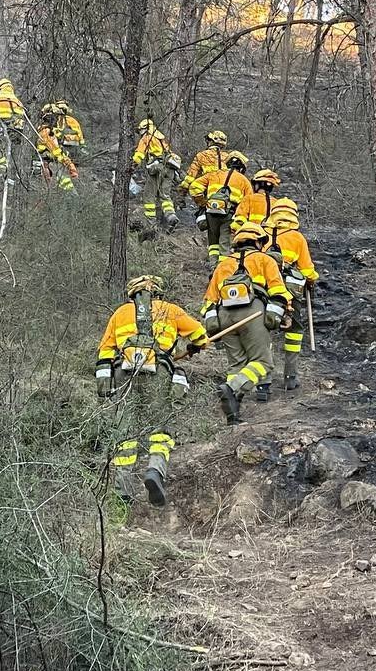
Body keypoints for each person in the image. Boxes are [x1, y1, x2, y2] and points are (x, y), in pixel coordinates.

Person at [96, 275, 209, 506]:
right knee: (160, 429)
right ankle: (155, 471)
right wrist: (194, 346)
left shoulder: (120, 313)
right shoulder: (171, 310)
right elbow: (201, 336)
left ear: (132, 294)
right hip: (158, 372)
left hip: (123, 374)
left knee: (124, 432)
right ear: (158, 292)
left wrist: (105, 386)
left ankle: (123, 490)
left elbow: (105, 351)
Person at [201, 223, 291, 423]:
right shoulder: (264, 259)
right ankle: (232, 388)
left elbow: (209, 300)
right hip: (253, 313)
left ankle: (233, 414)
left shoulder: (223, 264)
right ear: (258, 242)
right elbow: (279, 292)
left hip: (224, 316)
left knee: (237, 364)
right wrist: (285, 314)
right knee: (263, 362)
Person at [264, 197, 319, 391]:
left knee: (265, 332)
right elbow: (306, 269)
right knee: (294, 331)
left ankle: (264, 379)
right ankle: (290, 377)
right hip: (289, 291)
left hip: (264, 290)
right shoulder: (297, 238)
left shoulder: (261, 233)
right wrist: (312, 280)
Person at [188, 151, 252, 262]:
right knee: (224, 243)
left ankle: (213, 266)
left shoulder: (214, 174)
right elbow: (249, 202)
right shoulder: (244, 181)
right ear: (241, 167)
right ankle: (222, 270)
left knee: (213, 243)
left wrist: (203, 202)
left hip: (211, 212)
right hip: (229, 215)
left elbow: (194, 187)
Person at [131, 119, 182, 237]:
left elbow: (139, 155)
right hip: (169, 169)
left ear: (145, 128)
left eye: (140, 130)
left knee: (149, 197)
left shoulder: (146, 138)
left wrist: (131, 167)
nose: (140, 133)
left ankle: (151, 225)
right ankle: (171, 216)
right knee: (165, 195)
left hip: (157, 168)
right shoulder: (161, 137)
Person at [179, 130, 236, 195]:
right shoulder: (227, 156)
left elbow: (191, 176)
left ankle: (202, 205)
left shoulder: (202, 155)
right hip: (227, 190)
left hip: (209, 188)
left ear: (212, 141)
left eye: (209, 140)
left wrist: (183, 189)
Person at [36, 109, 78, 192]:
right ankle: (70, 195)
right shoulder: (46, 132)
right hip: (52, 160)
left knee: (60, 181)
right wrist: (69, 165)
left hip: (50, 159)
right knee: (63, 180)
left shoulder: (45, 131)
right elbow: (55, 150)